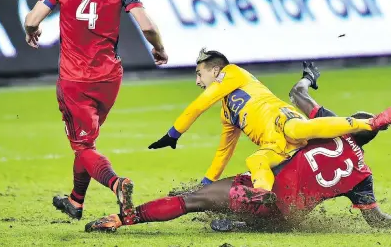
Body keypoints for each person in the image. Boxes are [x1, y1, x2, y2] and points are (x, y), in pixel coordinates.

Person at [85, 62, 391, 232]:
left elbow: (298, 94)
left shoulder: (327, 126)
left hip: (262, 189)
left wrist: (308, 77)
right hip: (284, 216)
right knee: (278, 215)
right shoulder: (363, 175)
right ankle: (241, 224)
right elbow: (377, 220)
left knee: (194, 200)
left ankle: (124, 219)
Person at [24, 0, 167, 222]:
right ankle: (76, 201)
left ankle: (117, 183)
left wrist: (32, 29)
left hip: (75, 79)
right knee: (85, 141)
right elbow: (148, 26)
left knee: (83, 145)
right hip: (109, 79)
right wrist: (159, 49)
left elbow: (33, 17)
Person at [148, 49, 391, 199]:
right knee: (255, 161)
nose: (198, 81)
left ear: (216, 70)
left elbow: (199, 104)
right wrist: (205, 185)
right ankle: (261, 196)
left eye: (200, 74)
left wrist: (173, 133)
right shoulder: (227, 113)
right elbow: (224, 152)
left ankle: (370, 123)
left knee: (299, 128)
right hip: (276, 147)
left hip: (283, 121)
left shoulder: (233, 73)